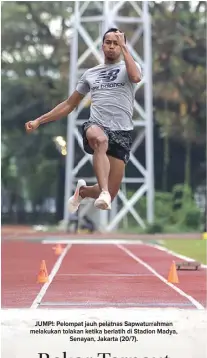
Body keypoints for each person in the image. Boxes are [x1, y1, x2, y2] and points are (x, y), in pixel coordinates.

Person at [25, 28, 142, 213]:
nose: (111, 46)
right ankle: (103, 191)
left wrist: (126, 49)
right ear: (102, 46)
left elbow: (136, 77)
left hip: (122, 132)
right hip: (96, 125)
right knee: (100, 140)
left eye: (116, 43)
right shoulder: (91, 74)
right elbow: (69, 104)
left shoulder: (129, 67)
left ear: (121, 46)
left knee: (112, 193)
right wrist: (39, 120)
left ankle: (84, 192)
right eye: (108, 42)